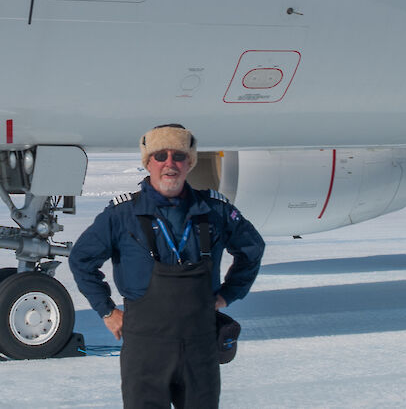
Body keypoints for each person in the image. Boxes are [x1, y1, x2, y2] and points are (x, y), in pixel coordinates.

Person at [68, 124, 265, 409]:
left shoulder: (215, 211)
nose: (169, 164)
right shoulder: (122, 215)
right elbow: (81, 260)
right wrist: (107, 310)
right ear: (148, 162)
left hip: (200, 346)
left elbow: (252, 249)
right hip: (145, 350)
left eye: (179, 156)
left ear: (190, 163)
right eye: (160, 156)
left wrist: (229, 294)